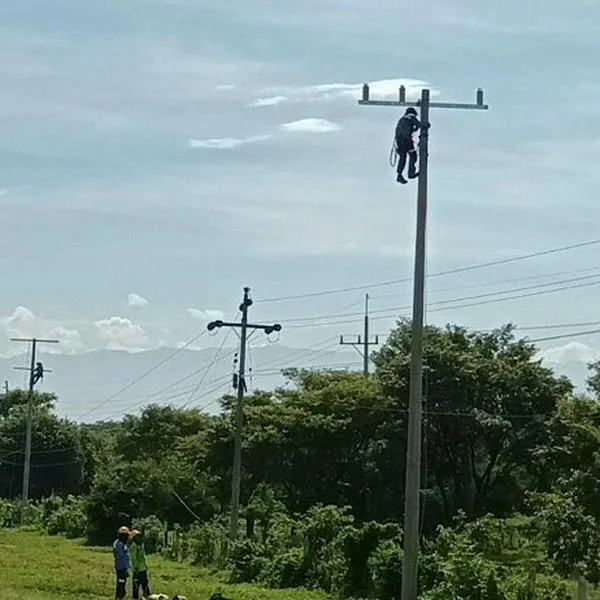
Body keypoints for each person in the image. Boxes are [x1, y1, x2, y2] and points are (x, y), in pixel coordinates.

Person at [393, 107, 421, 184]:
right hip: (406, 140)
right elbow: (419, 124)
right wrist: (426, 125)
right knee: (413, 155)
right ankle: (411, 173)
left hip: (399, 141)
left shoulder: (402, 119)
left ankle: (399, 175)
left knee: (402, 157)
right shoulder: (411, 117)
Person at [129, 529, 152, 600]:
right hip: (137, 569)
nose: (139, 538)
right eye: (137, 537)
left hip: (143, 569)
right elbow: (133, 558)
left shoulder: (141, 546)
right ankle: (135, 597)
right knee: (136, 585)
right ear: (134, 539)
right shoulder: (134, 547)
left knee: (145, 584)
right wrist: (136, 568)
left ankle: (147, 596)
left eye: (140, 537)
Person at [113, 526, 131, 600]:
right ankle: (120, 595)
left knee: (122, 581)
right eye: (126, 535)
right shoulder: (120, 544)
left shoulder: (119, 543)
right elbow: (120, 556)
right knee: (121, 581)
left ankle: (120, 595)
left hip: (122, 566)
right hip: (121, 567)